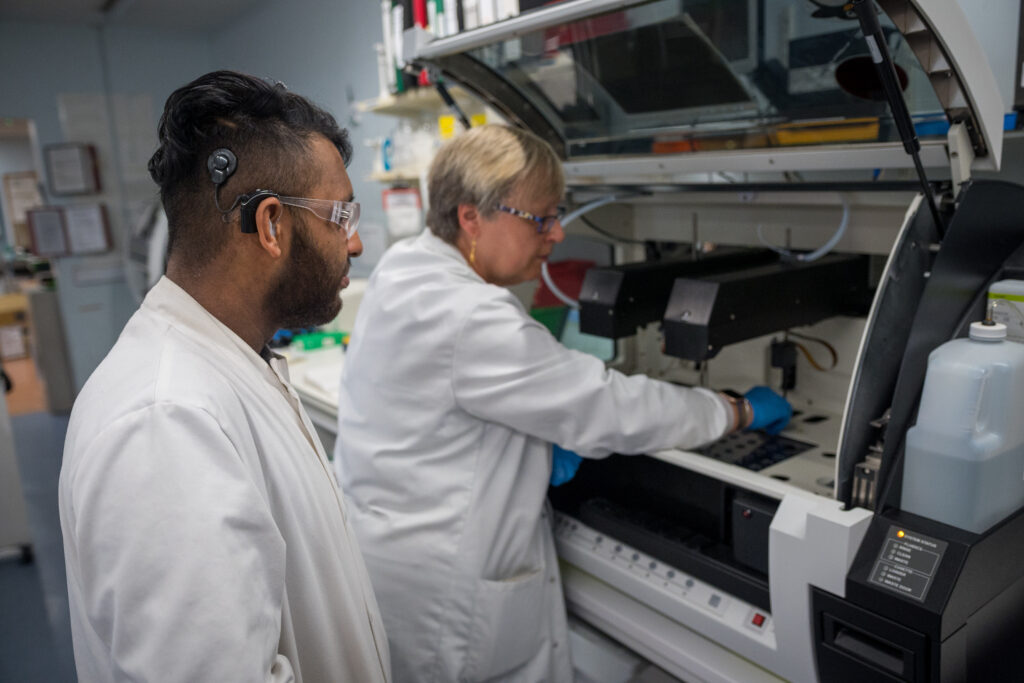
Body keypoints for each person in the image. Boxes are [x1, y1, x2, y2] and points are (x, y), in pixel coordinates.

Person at [334, 124, 791, 682]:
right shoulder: (471, 314)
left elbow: (451, 403)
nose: (555, 235)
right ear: (471, 217)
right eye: (540, 218)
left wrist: (528, 449)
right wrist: (734, 410)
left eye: (558, 216)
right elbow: (610, 407)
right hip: (449, 584)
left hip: (393, 556)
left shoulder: (404, 266)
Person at [58, 71, 390, 683]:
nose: (358, 241)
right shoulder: (167, 421)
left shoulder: (231, 362)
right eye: (341, 215)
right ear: (269, 225)